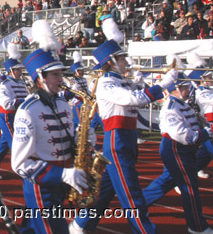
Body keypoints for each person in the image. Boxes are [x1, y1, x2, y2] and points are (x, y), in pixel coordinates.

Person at [69, 17, 178, 234]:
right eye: (122, 59)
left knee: (104, 192)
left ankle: (80, 224)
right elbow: (135, 99)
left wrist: (146, 79)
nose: (126, 63)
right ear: (111, 61)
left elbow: (140, 91)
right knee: (132, 196)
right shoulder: (106, 82)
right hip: (117, 141)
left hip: (126, 140)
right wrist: (164, 84)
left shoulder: (122, 80)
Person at [12, 19, 90, 234]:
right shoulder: (28, 110)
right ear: (40, 78)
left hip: (63, 179)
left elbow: (67, 136)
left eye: (60, 74)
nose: (61, 79)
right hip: (42, 185)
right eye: (55, 75)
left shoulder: (63, 102)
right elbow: (19, 164)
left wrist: (81, 136)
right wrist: (62, 175)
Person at [142, 74, 213, 234]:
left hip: (181, 149)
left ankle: (138, 204)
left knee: (167, 181)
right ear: (176, 90)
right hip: (176, 148)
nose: (189, 90)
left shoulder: (182, 104)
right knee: (189, 186)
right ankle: (197, 226)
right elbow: (182, 135)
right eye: (185, 87)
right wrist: (202, 134)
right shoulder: (171, 108)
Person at [0, 42, 28, 177]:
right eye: (17, 70)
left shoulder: (21, 83)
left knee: (4, 144)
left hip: (18, 117)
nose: (20, 72)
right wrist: (24, 101)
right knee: (16, 144)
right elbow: (6, 104)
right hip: (8, 117)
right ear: (11, 70)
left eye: (20, 69)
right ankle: (25, 170)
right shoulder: (5, 85)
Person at [69, 51, 103, 132]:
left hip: (84, 101)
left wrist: (90, 97)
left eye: (82, 70)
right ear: (76, 71)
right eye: (80, 70)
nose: (82, 72)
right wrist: (77, 101)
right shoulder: (72, 81)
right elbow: (72, 93)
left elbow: (87, 90)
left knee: (83, 121)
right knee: (79, 121)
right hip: (77, 102)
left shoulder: (84, 79)